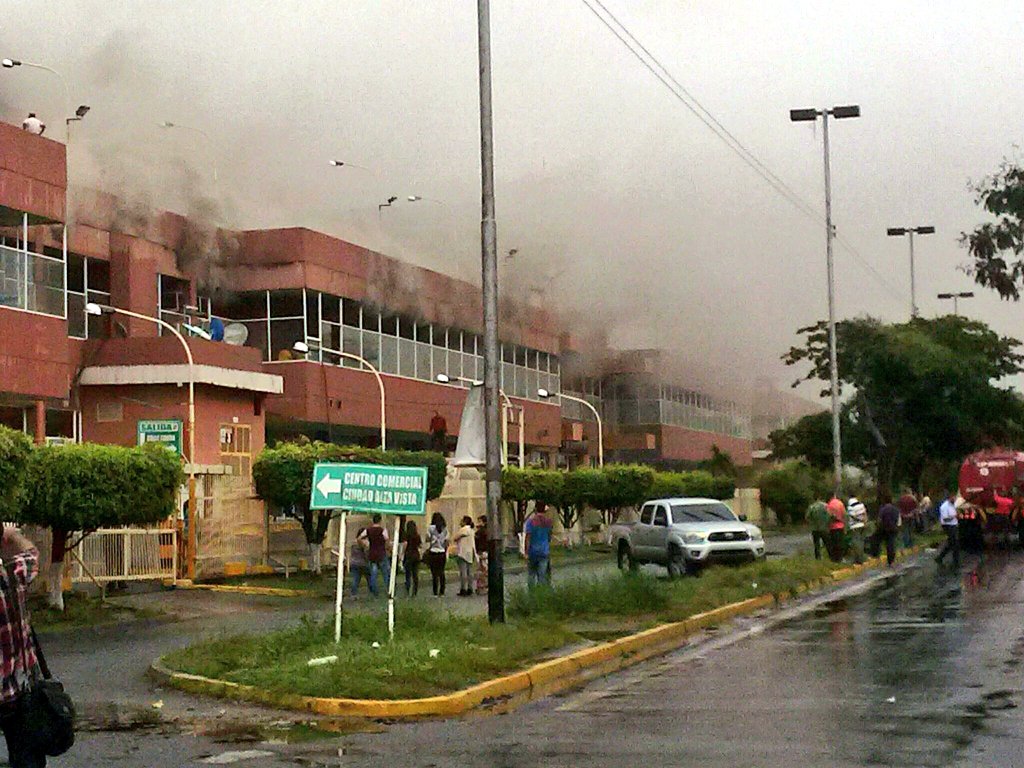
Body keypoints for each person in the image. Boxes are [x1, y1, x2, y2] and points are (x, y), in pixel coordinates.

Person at [0, 524, 46, 768]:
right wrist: (11, 536)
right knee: (26, 757)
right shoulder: (12, 574)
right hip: (16, 690)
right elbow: (32, 554)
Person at [359, 515, 390, 596]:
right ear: (380, 521)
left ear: (373, 521)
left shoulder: (368, 530)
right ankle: (389, 590)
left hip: (372, 554)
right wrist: (387, 548)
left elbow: (359, 538)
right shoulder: (383, 530)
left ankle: (375, 592)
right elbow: (387, 540)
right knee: (385, 574)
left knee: (373, 574)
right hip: (382, 553)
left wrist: (364, 545)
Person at [524, 502, 553, 587]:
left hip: (533, 551)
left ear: (535, 509)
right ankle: (541, 594)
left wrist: (526, 552)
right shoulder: (548, 522)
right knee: (542, 575)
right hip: (544, 551)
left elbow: (528, 538)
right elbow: (549, 537)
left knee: (531, 574)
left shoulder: (530, 522)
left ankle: (531, 593)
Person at [935, 489, 961, 568]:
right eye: (953, 498)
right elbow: (945, 519)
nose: (955, 499)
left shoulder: (953, 505)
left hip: (954, 525)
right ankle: (956, 562)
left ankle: (939, 558)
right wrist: (955, 516)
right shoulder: (944, 507)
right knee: (955, 543)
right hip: (948, 526)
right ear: (949, 498)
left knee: (951, 543)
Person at [452, 516, 477, 596]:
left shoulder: (464, 529)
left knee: (463, 572)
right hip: (470, 552)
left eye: (461, 520)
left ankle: (464, 589)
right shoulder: (472, 530)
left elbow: (455, 538)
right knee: (470, 572)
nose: (460, 522)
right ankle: (470, 588)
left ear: (465, 522)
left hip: (462, 553)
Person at [425, 513, 449, 597]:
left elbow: (427, 539)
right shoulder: (445, 529)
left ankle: (435, 591)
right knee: (442, 572)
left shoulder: (430, 528)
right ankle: (442, 591)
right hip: (442, 552)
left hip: (433, 552)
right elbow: (446, 542)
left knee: (434, 573)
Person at [878, 493, 901, 566]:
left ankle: (890, 559)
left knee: (888, 544)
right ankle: (892, 558)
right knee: (893, 542)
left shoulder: (883, 509)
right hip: (894, 528)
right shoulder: (895, 508)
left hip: (885, 528)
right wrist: (898, 525)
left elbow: (879, 519)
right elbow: (898, 518)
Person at [400, 520, 422, 597]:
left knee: (408, 574)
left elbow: (405, 544)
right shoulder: (417, 535)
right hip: (416, 555)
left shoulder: (406, 535)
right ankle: (415, 591)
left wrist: (402, 554)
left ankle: (407, 589)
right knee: (415, 574)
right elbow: (420, 546)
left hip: (408, 555)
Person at [349, 526, 371, 596]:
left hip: (354, 563)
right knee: (370, 579)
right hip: (363, 563)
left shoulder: (353, 543)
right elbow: (366, 553)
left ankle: (353, 594)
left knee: (355, 580)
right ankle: (373, 592)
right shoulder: (365, 543)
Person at [846, 497, 867, 564]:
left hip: (854, 526)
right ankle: (861, 557)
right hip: (862, 525)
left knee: (856, 543)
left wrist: (859, 520)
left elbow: (852, 516)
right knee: (861, 541)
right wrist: (864, 521)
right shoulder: (861, 505)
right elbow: (865, 514)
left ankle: (859, 558)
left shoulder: (850, 508)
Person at [826, 497, 846, 562]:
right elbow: (844, 513)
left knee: (834, 543)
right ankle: (840, 558)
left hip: (832, 527)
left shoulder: (829, 505)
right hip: (840, 526)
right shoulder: (840, 503)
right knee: (840, 543)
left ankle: (834, 559)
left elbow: (828, 516)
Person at [474, 515, 489, 595]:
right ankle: (484, 586)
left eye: (480, 521)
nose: (478, 523)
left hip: (482, 552)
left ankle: (482, 587)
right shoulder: (488, 531)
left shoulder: (480, 532)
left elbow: (477, 542)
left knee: (482, 571)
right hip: (485, 552)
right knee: (484, 570)